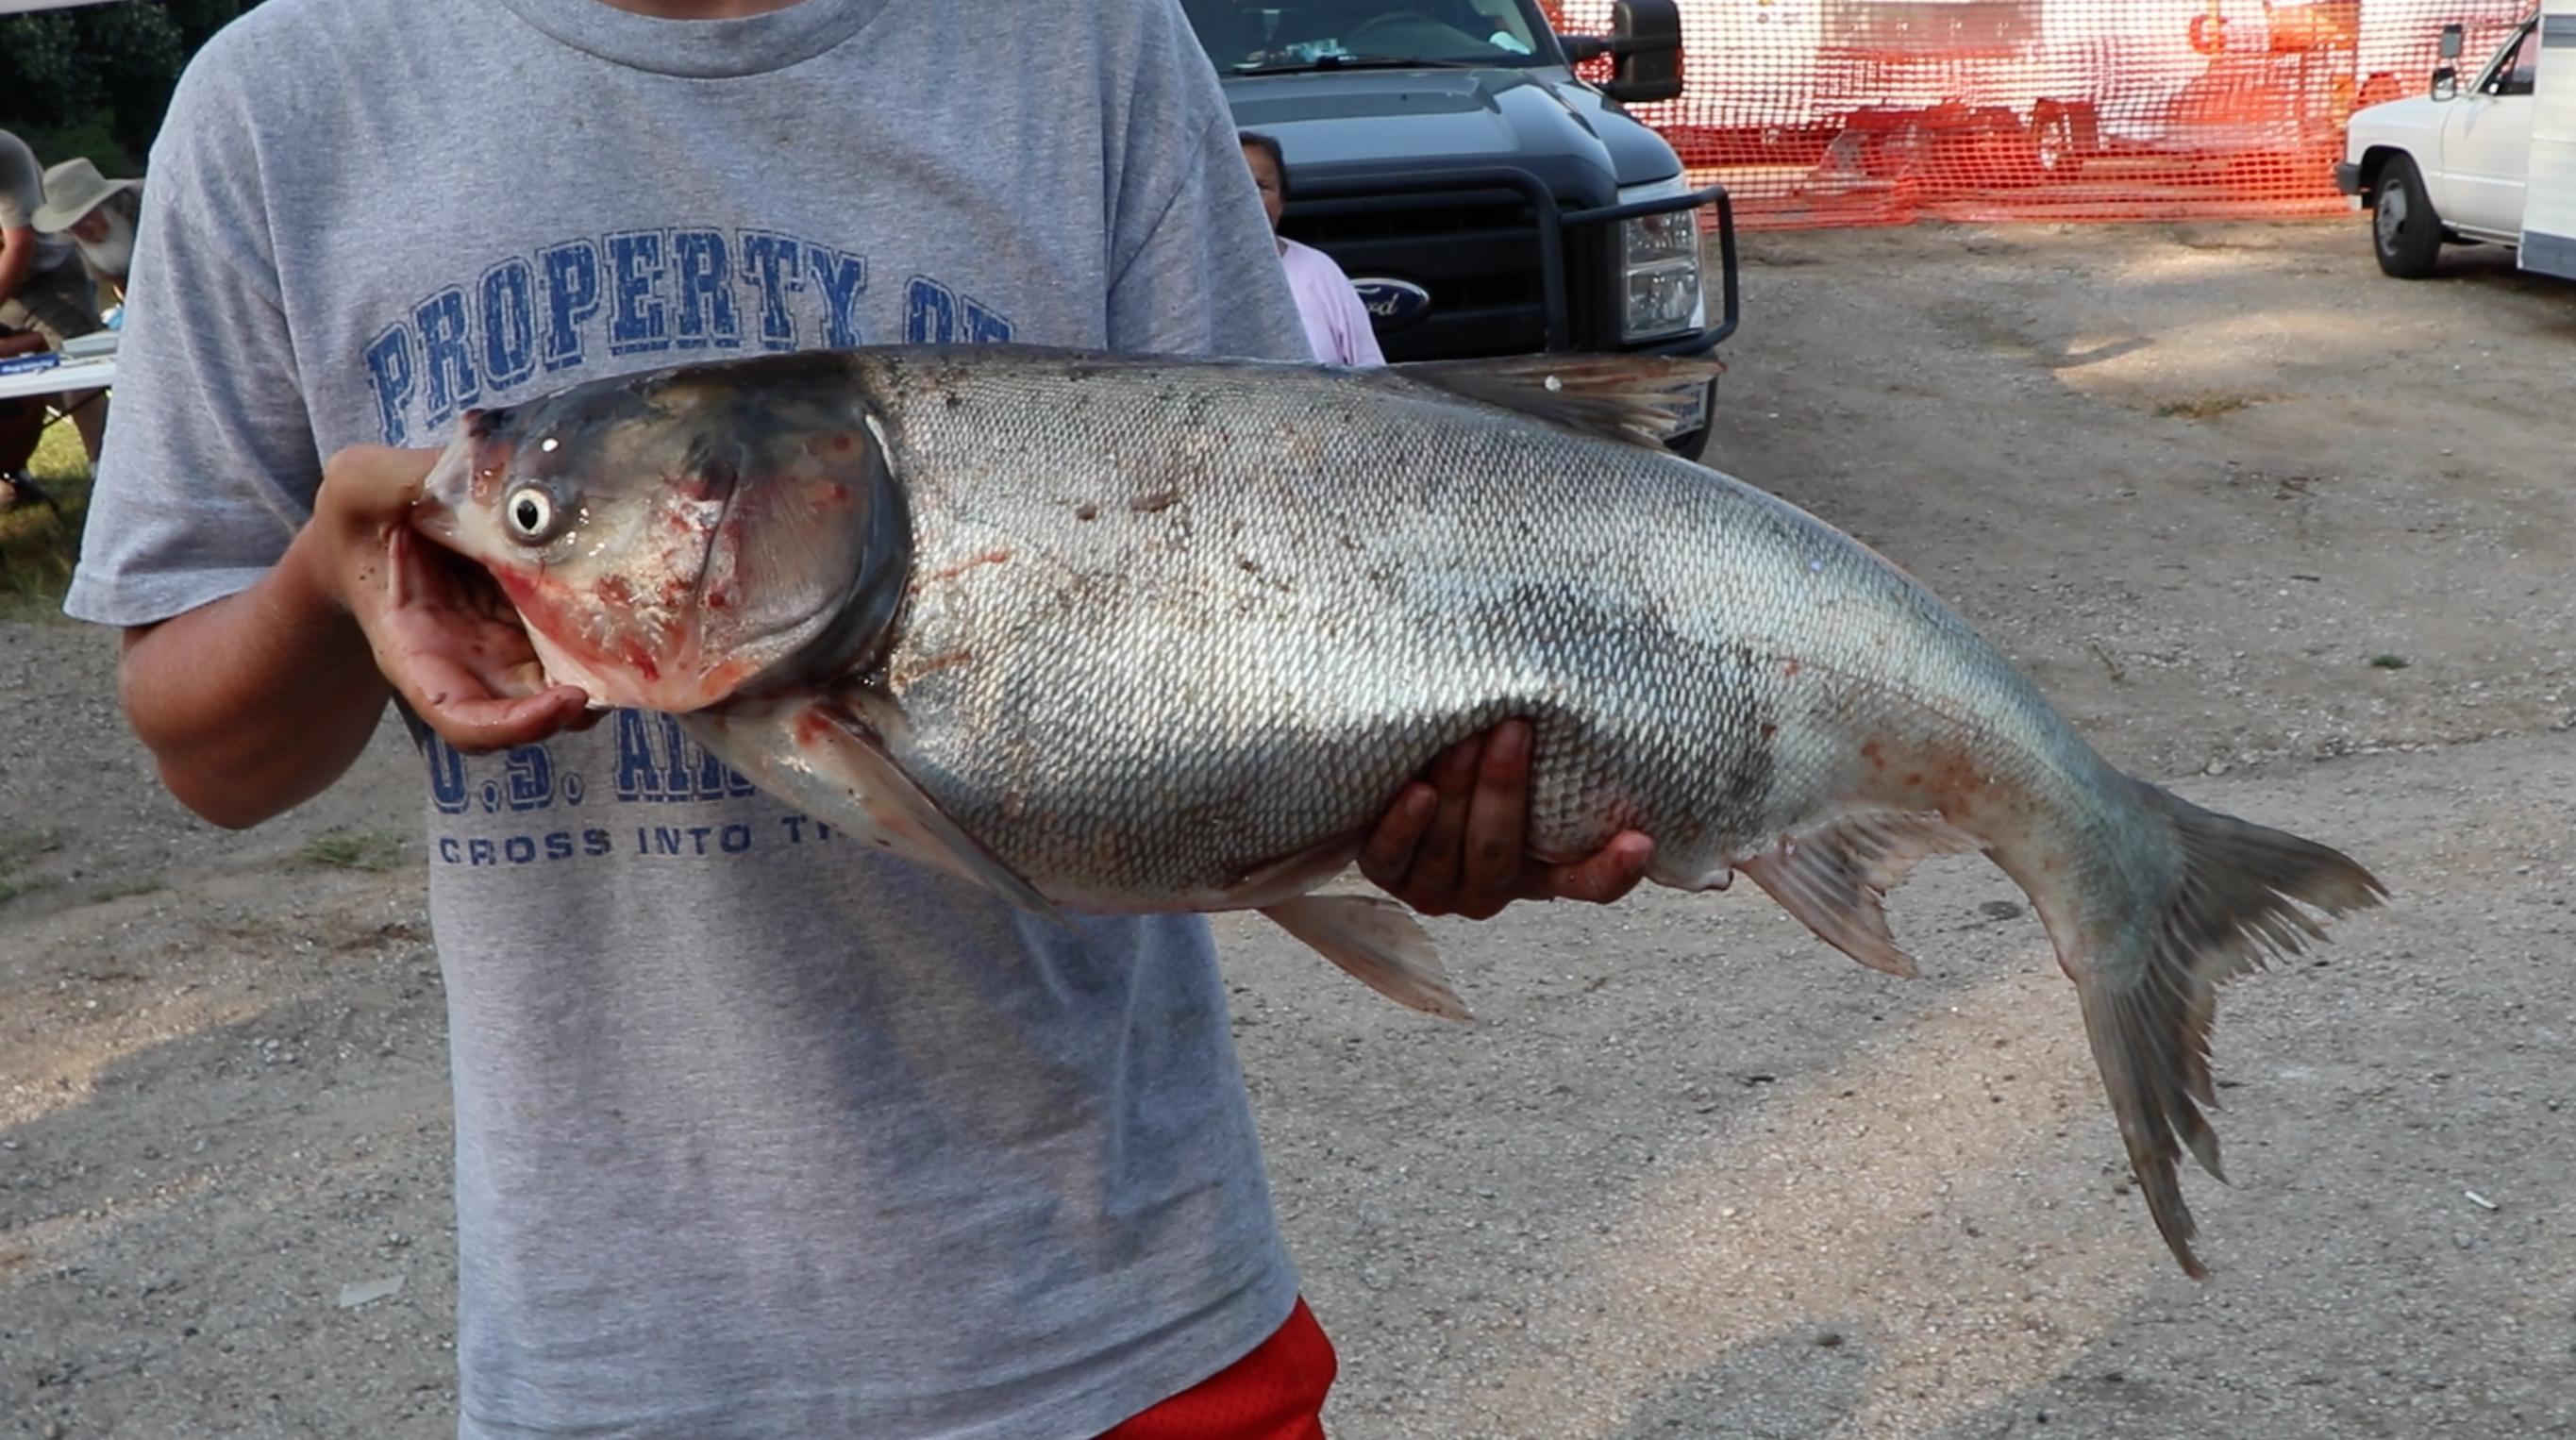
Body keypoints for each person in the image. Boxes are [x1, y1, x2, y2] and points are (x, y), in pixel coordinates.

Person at [65, 2, 1654, 1436]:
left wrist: (1409, 803)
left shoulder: (1089, 45)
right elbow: (207, 757)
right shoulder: (282, 99)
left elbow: (1285, 582)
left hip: (1122, 1332)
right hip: (618, 1367)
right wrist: (332, 591)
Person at [0, 127, 109, 491]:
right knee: (11, 384)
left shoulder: (5, 151)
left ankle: (108, 474)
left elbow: (19, 245)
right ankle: (11, 475)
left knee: (82, 367)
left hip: (49, 275)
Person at [1238, 131, 1388, 368]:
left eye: (1260, 186)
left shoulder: (1319, 271)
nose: (1246, 198)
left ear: (1282, 200)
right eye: (1233, 186)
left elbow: (1372, 375)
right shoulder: (1185, 282)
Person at [32, 156, 143, 304]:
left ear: (111, 204)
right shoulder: (82, 247)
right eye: (70, 227)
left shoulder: (152, 211)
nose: (82, 234)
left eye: (84, 220)